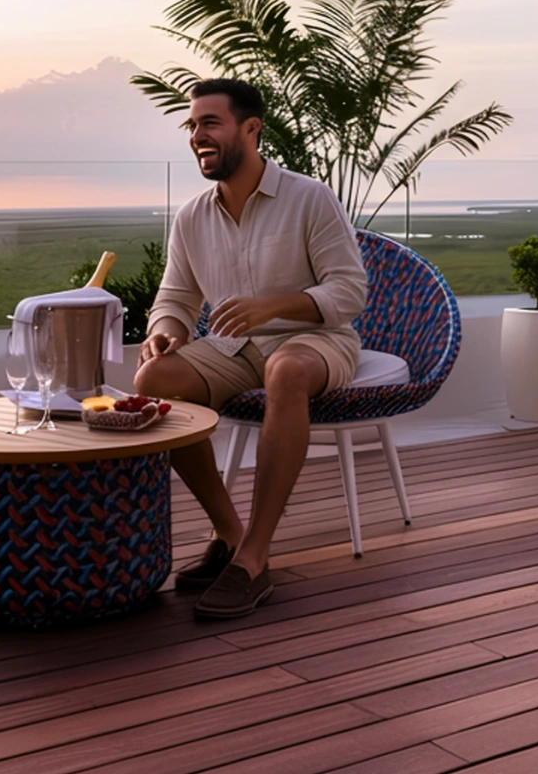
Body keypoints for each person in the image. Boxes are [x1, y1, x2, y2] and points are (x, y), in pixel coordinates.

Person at [134, 78, 368, 618]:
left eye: (210, 123)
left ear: (251, 129)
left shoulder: (310, 198)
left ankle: (255, 558)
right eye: (192, 126)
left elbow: (349, 291)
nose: (198, 136)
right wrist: (163, 331)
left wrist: (276, 305)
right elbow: (175, 296)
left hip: (315, 341)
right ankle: (230, 534)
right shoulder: (192, 215)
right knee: (154, 382)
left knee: (285, 370)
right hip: (233, 347)